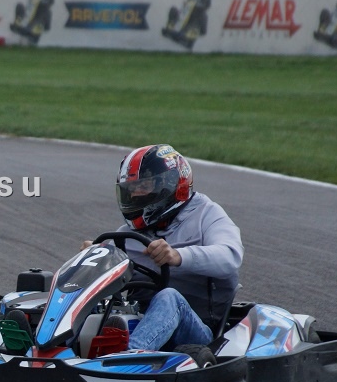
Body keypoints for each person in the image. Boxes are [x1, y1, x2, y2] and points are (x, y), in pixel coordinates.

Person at [103, 144, 243, 364]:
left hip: (199, 332)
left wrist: (178, 256)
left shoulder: (206, 214)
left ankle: (126, 360)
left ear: (170, 184)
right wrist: (96, 256)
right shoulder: (127, 235)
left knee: (169, 297)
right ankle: (56, 349)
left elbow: (230, 256)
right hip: (142, 319)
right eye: (131, 188)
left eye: (144, 186)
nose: (135, 194)